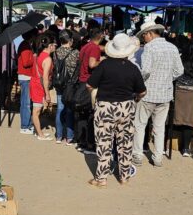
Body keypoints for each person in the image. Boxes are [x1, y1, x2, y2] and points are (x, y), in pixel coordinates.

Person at [86, 34, 147, 188]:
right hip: (126, 107)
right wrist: (136, 99)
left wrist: (95, 93)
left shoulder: (104, 66)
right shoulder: (133, 68)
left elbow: (89, 85)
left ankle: (101, 178)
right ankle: (124, 177)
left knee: (103, 143)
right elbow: (142, 91)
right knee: (125, 143)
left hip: (105, 107)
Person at [133, 21, 184, 167]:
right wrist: (167, 78)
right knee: (159, 127)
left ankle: (137, 155)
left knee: (140, 124)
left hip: (148, 93)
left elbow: (146, 70)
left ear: (149, 33)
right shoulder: (172, 47)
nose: (144, 39)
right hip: (165, 94)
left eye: (144, 36)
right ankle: (157, 157)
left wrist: (138, 82)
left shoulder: (149, 48)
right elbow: (179, 71)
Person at [76, 29, 104, 154]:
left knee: (82, 113)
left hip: (82, 81)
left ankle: (81, 141)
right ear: (101, 36)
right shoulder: (94, 48)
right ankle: (90, 144)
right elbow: (92, 64)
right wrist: (102, 61)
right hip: (89, 83)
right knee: (90, 114)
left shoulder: (86, 46)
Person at [53, 31, 79, 144]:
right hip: (70, 84)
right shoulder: (75, 52)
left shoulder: (56, 52)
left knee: (59, 108)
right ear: (70, 40)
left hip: (59, 83)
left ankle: (59, 136)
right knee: (69, 110)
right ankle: (69, 137)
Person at [30, 34, 56, 140]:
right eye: (54, 44)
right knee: (36, 110)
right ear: (49, 45)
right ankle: (40, 134)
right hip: (39, 85)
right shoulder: (48, 59)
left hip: (35, 83)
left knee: (37, 109)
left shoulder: (39, 55)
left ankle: (39, 132)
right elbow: (45, 77)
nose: (55, 46)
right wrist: (47, 94)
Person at [17, 29, 37, 134]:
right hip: (25, 77)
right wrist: (34, 58)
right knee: (26, 103)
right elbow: (25, 62)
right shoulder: (25, 45)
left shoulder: (26, 45)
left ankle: (27, 124)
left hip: (26, 76)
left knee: (26, 102)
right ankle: (25, 126)